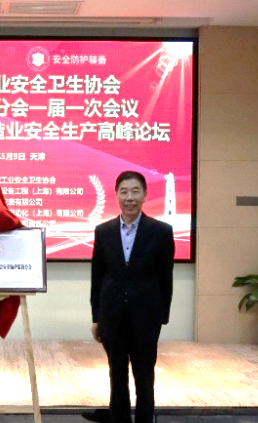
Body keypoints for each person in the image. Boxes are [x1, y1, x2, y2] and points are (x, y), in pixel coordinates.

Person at [85, 171, 174, 423]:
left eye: (135, 191)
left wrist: (161, 317)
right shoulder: (103, 231)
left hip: (146, 317)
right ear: (116, 195)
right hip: (112, 316)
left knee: (144, 378)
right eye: (124, 192)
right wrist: (96, 317)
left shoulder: (161, 232)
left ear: (145, 194)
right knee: (117, 376)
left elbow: (165, 278)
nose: (129, 197)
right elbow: (98, 277)